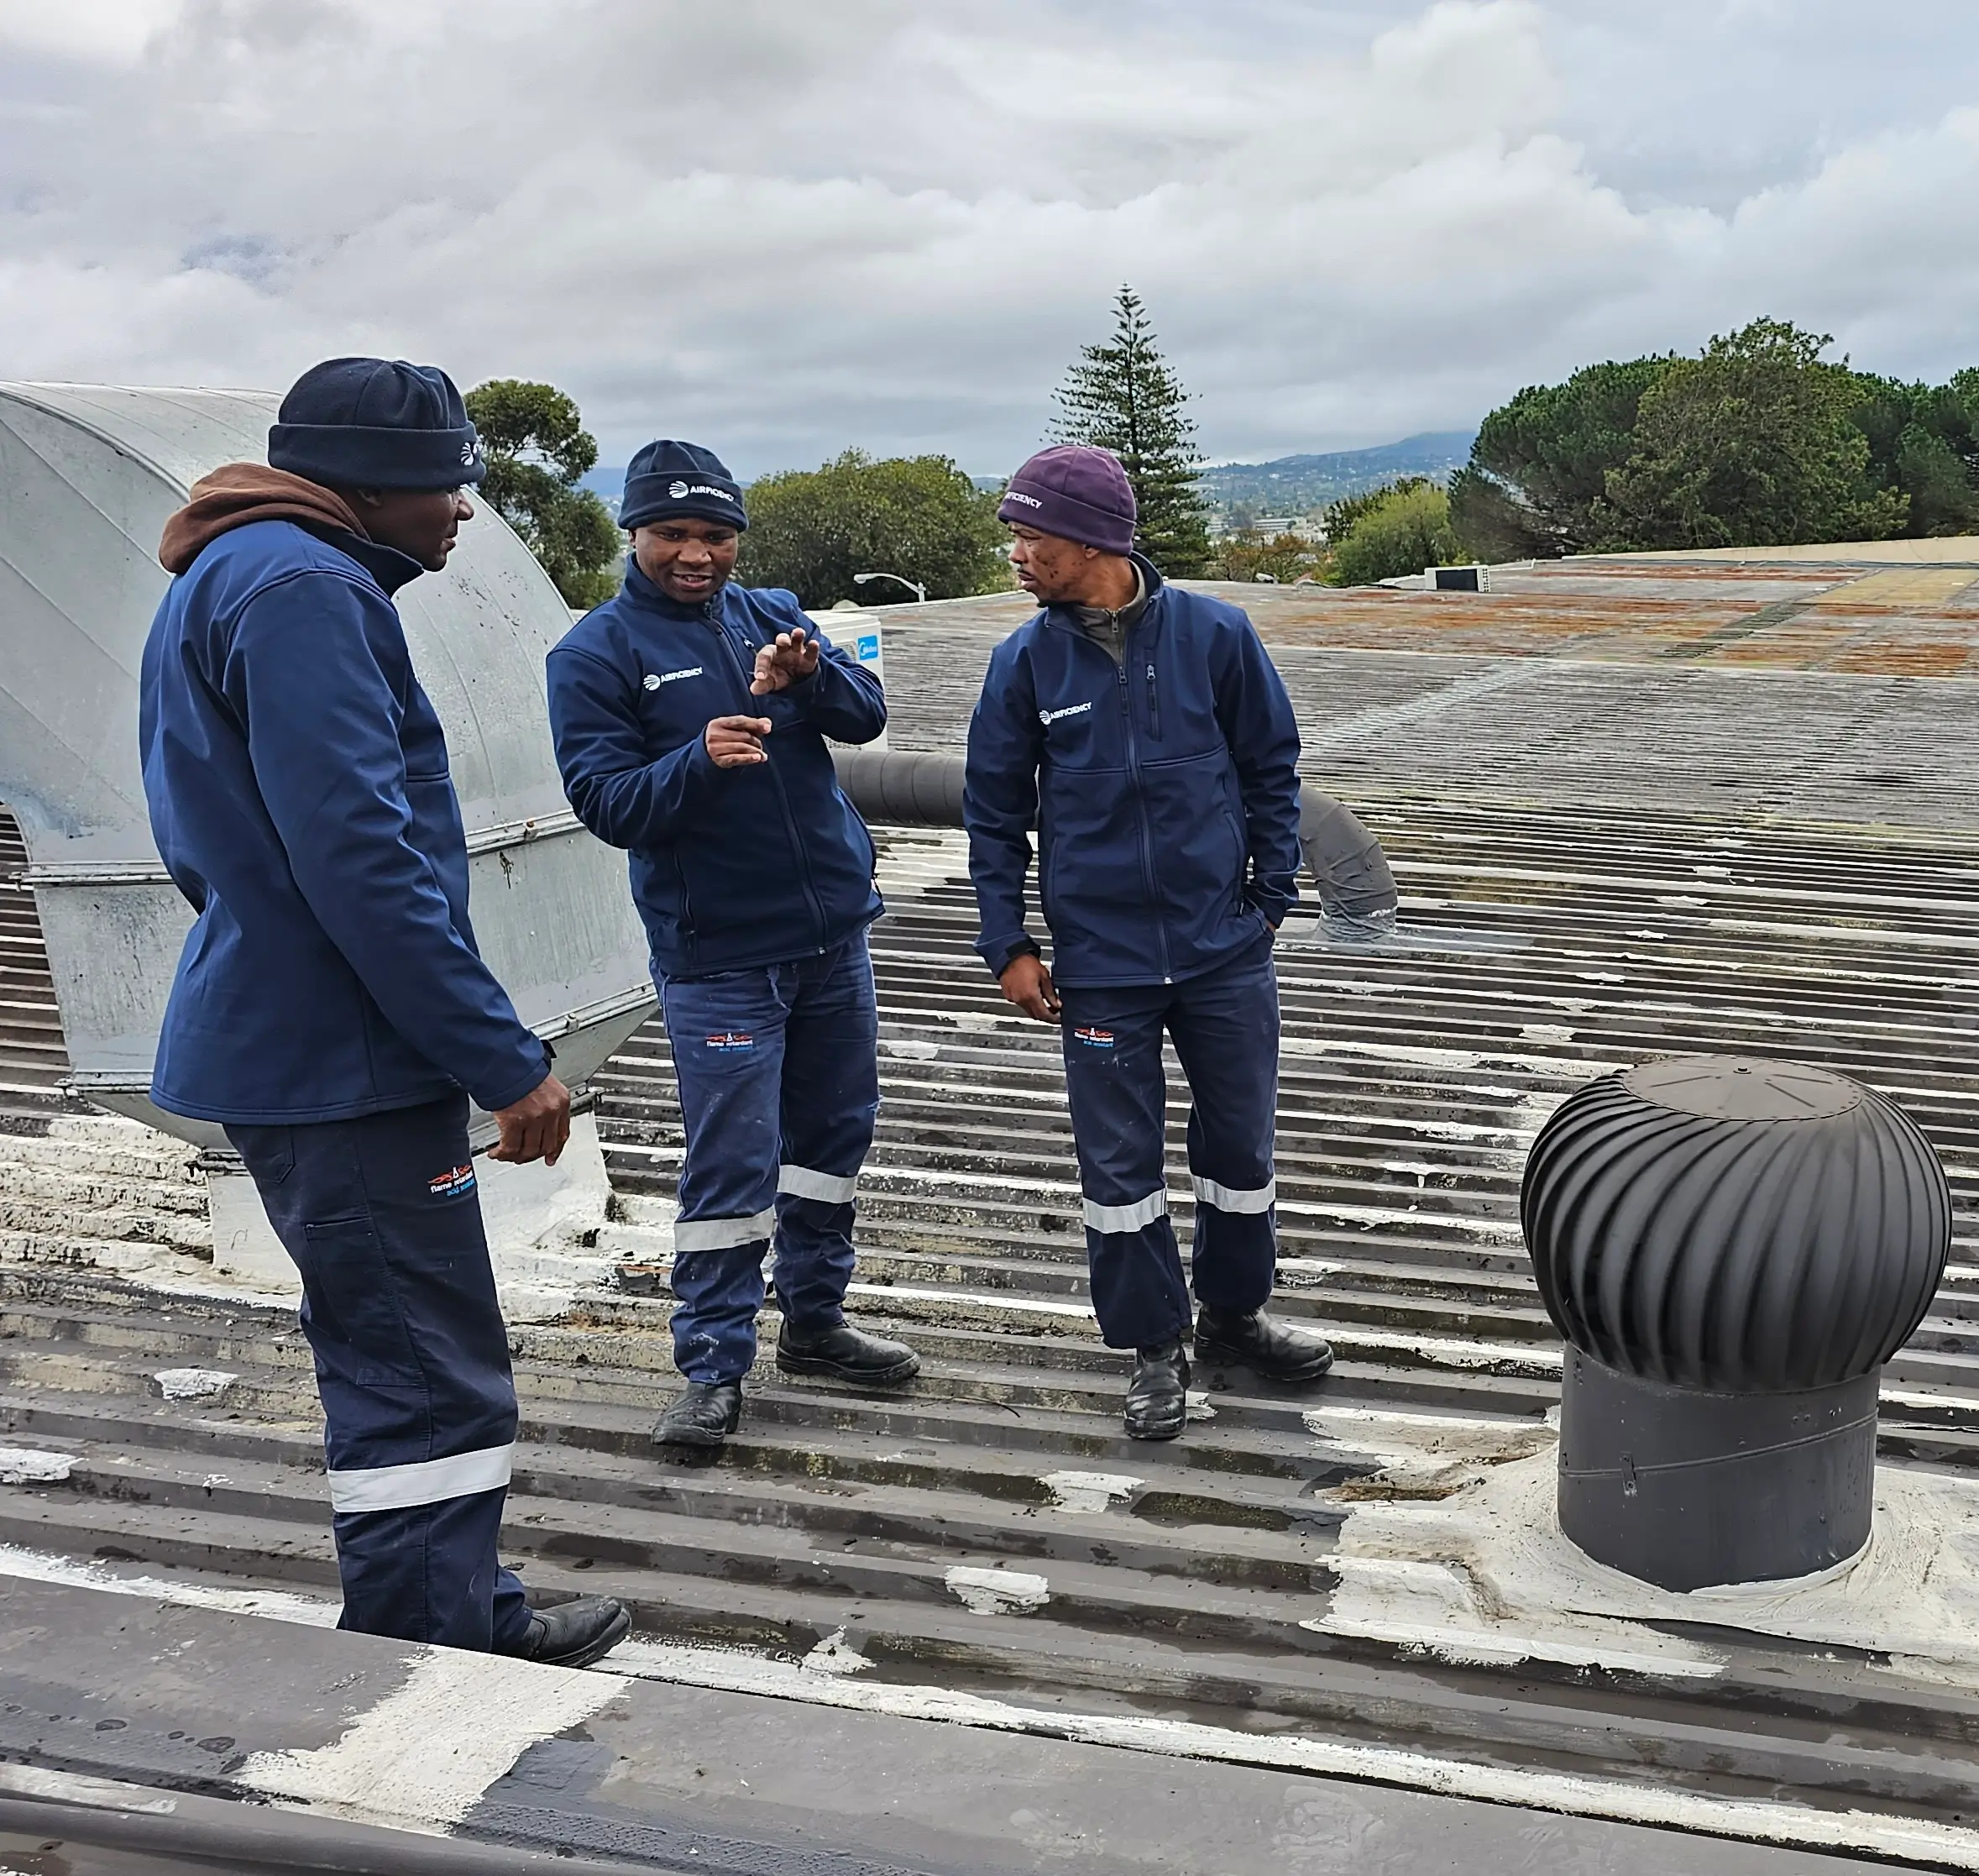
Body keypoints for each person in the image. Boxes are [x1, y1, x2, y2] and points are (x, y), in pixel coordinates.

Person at [139, 357, 630, 1664]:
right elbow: (362, 860)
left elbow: (223, 844)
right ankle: (425, 1663)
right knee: (419, 1373)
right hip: (340, 1059)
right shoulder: (302, 587)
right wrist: (503, 1058)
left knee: (405, 1354)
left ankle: (458, 1604)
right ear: (367, 479)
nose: (464, 506)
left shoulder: (241, 574)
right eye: (447, 480)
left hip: (298, 1035)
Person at [547, 442, 919, 1452]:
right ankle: (712, 1367)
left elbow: (867, 713)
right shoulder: (594, 654)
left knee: (831, 1140)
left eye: (715, 535)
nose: (697, 553)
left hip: (833, 935)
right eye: (673, 533)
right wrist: (696, 761)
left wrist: (811, 677)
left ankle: (816, 1319)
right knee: (732, 1164)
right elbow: (607, 804)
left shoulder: (774, 614)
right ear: (635, 534)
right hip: (719, 958)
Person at [964, 445, 1333, 1439]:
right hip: (1102, 966)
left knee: (1239, 1149)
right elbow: (993, 816)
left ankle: (1234, 1315)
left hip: (1225, 953)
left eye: (1029, 533)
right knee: (1118, 1170)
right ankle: (1152, 1346)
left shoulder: (1217, 634)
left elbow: (1272, 765)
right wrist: (1010, 943)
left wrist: (1269, 898)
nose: (1017, 552)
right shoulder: (1023, 662)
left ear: (1093, 539)